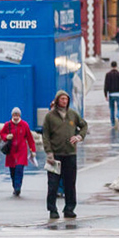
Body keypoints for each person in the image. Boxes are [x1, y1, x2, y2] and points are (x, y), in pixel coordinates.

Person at [41, 90, 88, 220]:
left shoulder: (73, 114)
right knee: (53, 184)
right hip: (55, 155)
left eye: (66, 99)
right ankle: (52, 209)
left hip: (70, 154)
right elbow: (45, 135)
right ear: (57, 100)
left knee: (70, 184)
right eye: (62, 99)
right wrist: (49, 152)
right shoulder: (50, 116)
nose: (64, 101)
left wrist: (79, 136)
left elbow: (84, 125)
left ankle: (69, 208)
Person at [0, 107, 36, 197]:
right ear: (12, 115)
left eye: (17, 115)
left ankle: (17, 187)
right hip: (11, 151)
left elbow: (30, 139)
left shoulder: (24, 125)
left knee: (19, 169)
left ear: (20, 116)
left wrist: (33, 150)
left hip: (21, 151)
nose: (16, 117)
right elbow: (2, 133)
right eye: (14, 115)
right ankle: (15, 186)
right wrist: (6, 136)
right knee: (12, 171)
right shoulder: (7, 125)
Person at [104, 61, 119, 127]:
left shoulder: (108, 74)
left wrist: (106, 95)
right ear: (116, 66)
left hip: (111, 94)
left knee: (112, 109)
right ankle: (117, 117)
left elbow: (106, 85)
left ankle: (113, 123)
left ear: (111, 66)